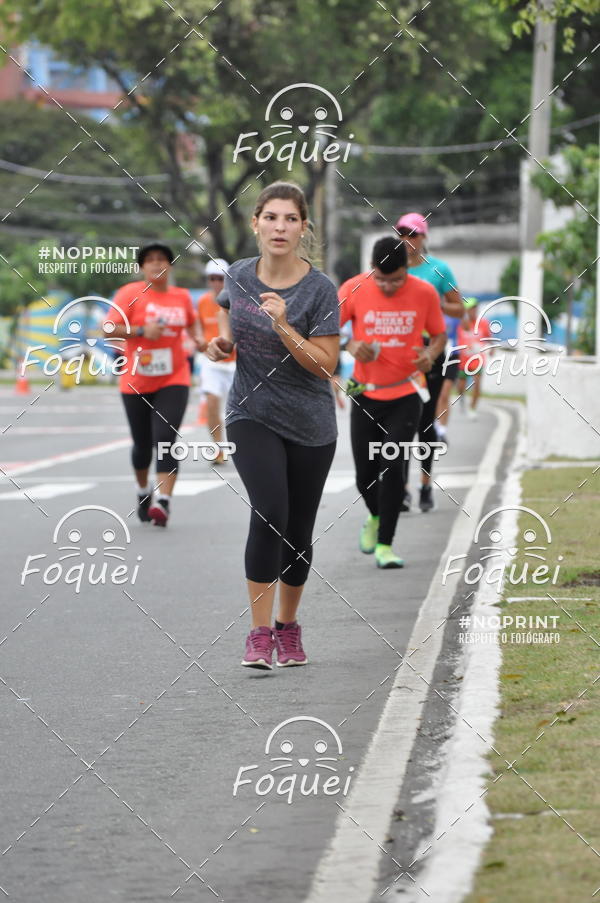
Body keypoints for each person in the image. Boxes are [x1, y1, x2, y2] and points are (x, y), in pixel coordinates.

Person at [206, 181, 339, 671]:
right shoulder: (238, 276)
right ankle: (258, 633)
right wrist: (220, 345)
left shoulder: (320, 289)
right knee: (269, 513)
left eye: (290, 219)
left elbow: (326, 366)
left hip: (310, 423)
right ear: (255, 222)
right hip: (250, 413)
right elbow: (228, 322)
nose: (280, 227)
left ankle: (288, 627)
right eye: (272, 217)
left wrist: (284, 325)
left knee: (298, 529)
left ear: (303, 227)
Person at [339, 237, 447, 568]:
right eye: (381, 279)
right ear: (371, 270)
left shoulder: (424, 293)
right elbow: (326, 329)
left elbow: (440, 335)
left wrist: (429, 354)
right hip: (363, 391)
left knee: (393, 465)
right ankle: (375, 516)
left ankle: (385, 544)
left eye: (395, 279)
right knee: (364, 476)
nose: (387, 286)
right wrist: (350, 343)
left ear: (407, 269)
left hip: (406, 393)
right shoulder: (353, 288)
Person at [103, 242, 205, 527]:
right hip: (136, 380)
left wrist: (197, 339)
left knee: (165, 439)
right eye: (150, 260)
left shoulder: (181, 296)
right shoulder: (129, 294)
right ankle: (142, 490)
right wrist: (139, 330)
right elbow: (108, 327)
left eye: (162, 259)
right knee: (142, 445)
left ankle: (163, 501)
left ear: (170, 265)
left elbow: (192, 322)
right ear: (141, 267)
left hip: (174, 377)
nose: (156, 264)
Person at [396, 213, 464, 512]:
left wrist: (433, 302)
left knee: (425, 422)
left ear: (424, 238)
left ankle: (425, 484)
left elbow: (459, 309)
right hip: (398, 352)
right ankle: (401, 488)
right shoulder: (390, 267)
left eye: (413, 234)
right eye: (402, 233)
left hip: (431, 351)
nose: (407, 240)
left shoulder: (439, 269)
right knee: (396, 423)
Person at [197, 258, 235, 464]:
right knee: (212, 404)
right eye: (212, 278)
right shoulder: (203, 302)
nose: (216, 282)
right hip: (212, 363)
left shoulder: (237, 299)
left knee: (242, 410)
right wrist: (199, 341)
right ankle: (218, 448)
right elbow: (198, 328)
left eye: (220, 278)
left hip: (237, 362)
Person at [456, 297, 490, 419]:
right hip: (464, 360)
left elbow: (489, 337)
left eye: (474, 308)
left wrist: (491, 348)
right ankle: (462, 400)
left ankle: (472, 408)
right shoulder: (462, 324)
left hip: (477, 359)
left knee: (477, 383)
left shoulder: (483, 323)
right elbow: (458, 341)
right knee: (461, 386)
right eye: (470, 309)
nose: (473, 311)